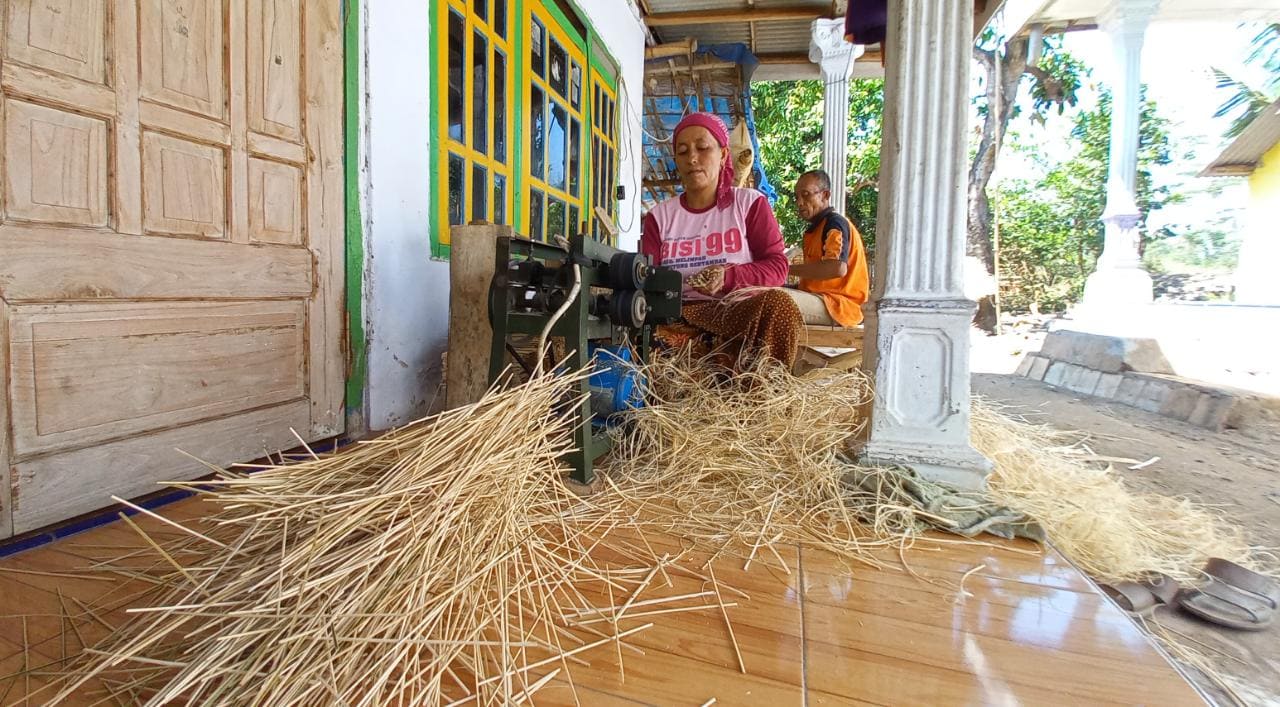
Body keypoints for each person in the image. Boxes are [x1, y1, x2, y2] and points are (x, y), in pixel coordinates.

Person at [640, 112, 802, 367]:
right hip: (679, 314)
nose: (692, 158)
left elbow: (778, 267)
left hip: (736, 312)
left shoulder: (749, 204)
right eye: (682, 152)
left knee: (779, 305)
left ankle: (763, 399)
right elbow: (646, 277)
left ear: (724, 154)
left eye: (703, 148)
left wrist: (728, 277)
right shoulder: (659, 217)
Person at [784, 170, 870, 328]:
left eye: (806, 194)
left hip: (841, 305)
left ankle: (766, 353)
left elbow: (836, 268)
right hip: (823, 299)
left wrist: (786, 269)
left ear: (825, 195)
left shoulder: (835, 224)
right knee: (761, 292)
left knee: (772, 300)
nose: (799, 202)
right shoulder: (816, 228)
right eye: (797, 197)